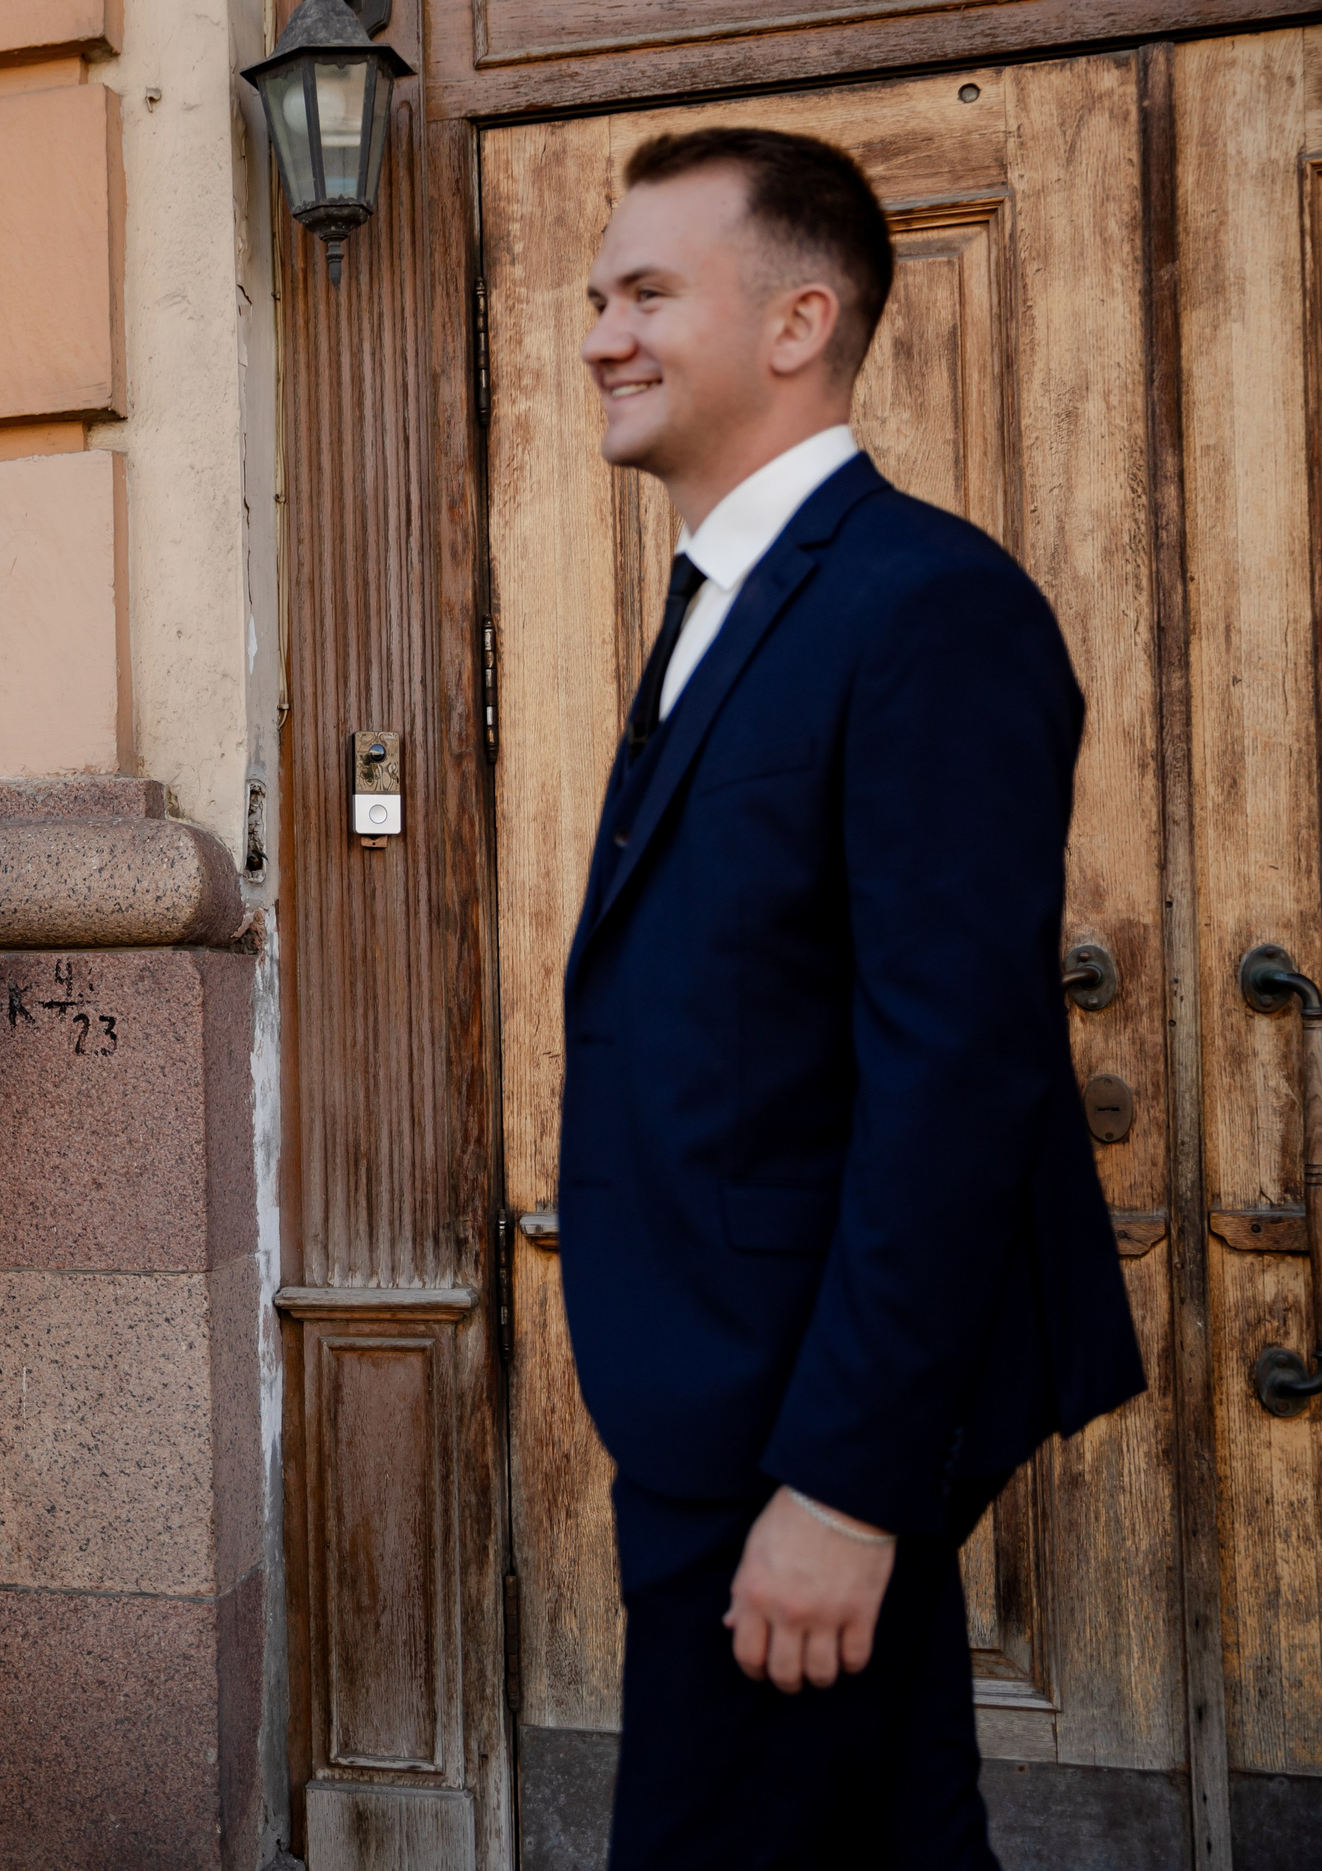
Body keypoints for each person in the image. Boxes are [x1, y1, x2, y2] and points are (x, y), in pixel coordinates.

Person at [556, 128, 1147, 1865]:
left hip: (793, 1427)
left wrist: (845, 1480)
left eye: (646, 293)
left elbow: (954, 1076)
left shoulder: (927, 605)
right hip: (716, 1401)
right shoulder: (727, 601)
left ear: (798, 320)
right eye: (597, 298)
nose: (600, 336)